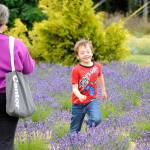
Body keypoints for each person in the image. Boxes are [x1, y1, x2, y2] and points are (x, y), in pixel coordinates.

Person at [0, 4, 35, 150]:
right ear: (4, 21)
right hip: (8, 96)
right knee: (6, 140)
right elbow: (29, 69)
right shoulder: (15, 44)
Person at [70, 39, 107, 133]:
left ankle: (89, 124)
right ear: (78, 56)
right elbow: (74, 87)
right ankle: (73, 145)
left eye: (88, 52)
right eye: (82, 53)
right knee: (74, 129)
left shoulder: (97, 66)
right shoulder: (76, 70)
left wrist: (103, 90)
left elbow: (100, 76)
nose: (86, 54)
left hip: (91, 100)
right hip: (78, 103)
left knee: (97, 119)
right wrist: (80, 96)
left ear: (92, 53)